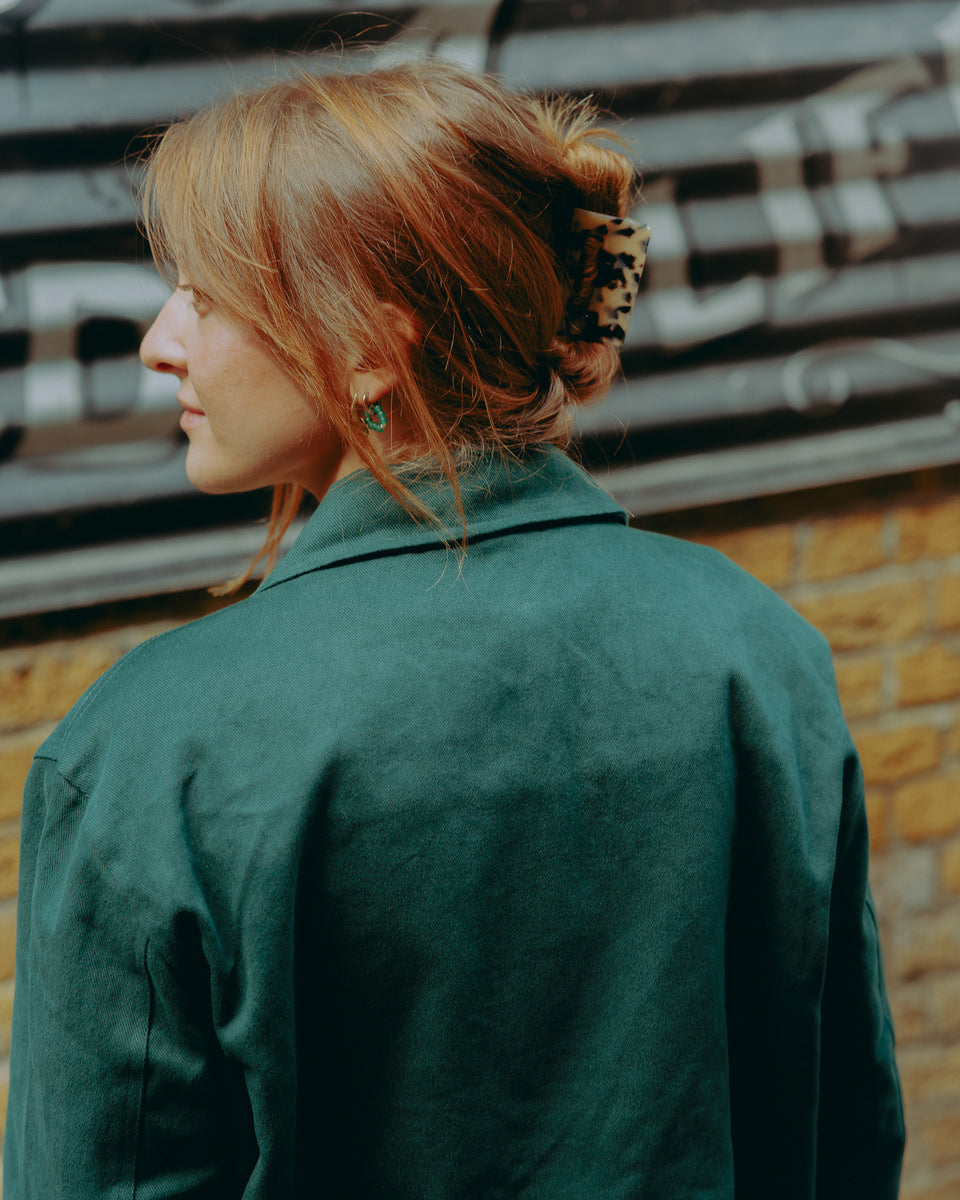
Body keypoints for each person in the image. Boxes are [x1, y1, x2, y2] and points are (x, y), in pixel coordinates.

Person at [5, 58, 903, 1199]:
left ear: (374, 345)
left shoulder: (151, 747)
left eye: (209, 295)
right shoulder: (759, 649)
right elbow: (846, 1130)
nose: (158, 342)